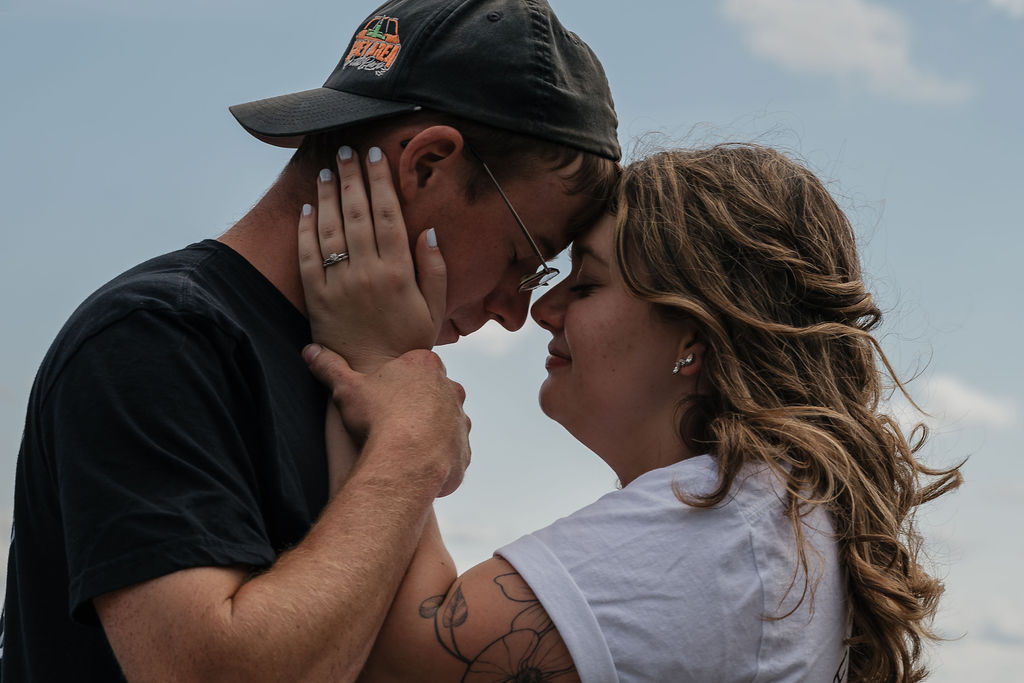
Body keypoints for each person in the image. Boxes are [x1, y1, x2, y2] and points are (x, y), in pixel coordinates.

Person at [0, 0, 619, 679]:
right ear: (426, 166)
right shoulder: (154, 338)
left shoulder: (356, 366)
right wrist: (412, 448)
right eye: (524, 258)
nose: (515, 311)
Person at [300, 142, 963, 681]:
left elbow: (403, 661)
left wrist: (390, 369)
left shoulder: (720, 522)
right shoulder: (771, 505)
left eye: (585, 284)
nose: (543, 310)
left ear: (694, 336)